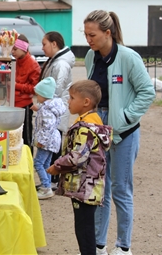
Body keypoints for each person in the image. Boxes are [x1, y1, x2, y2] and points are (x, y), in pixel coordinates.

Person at [83, 10, 155, 255]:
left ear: (107, 33)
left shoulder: (128, 57)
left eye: (92, 34)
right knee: (100, 188)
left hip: (124, 132)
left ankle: (123, 247)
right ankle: (99, 245)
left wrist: (124, 118)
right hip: (98, 128)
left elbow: (147, 92)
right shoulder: (91, 58)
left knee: (121, 190)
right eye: (85, 34)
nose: (88, 39)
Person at [47, 79, 113, 255]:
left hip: (84, 186)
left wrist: (57, 166)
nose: (68, 101)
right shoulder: (93, 123)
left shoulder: (85, 128)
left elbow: (77, 157)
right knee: (84, 226)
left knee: (84, 229)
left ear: (86, 102)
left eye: (72, 97)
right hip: (88, 186)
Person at [35, 31, 75, 188]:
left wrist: (44, 103)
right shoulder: (56, 61)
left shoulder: (60, 64)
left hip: (56, 111)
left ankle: (52, 181)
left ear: (54, 44)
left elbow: (56, 89)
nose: (42, 48)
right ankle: (48, 180)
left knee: (52, 146)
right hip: (54, 108)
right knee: (51, 147)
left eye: (44, 44)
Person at [32, 77, 67, 200]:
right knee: (46, 163)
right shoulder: (50, 106)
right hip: (53, 140)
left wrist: (42, 140)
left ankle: (46, 187)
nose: (37, 98)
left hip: (47, 140)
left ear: (44, 95)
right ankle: (46, 184)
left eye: (38, 96)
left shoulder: (46, 109)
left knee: (38, 163)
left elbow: (47, 126)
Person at [12, 34, 41, 152]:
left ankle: (28, 158)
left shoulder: (33, 65)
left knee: (26, 136)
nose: (12, 52)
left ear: (24, 48)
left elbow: (35, 88)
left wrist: (16, 86)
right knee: (14, 135)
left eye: (15, 49)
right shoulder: (15, 62)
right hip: (13, 103)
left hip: (24, 105)